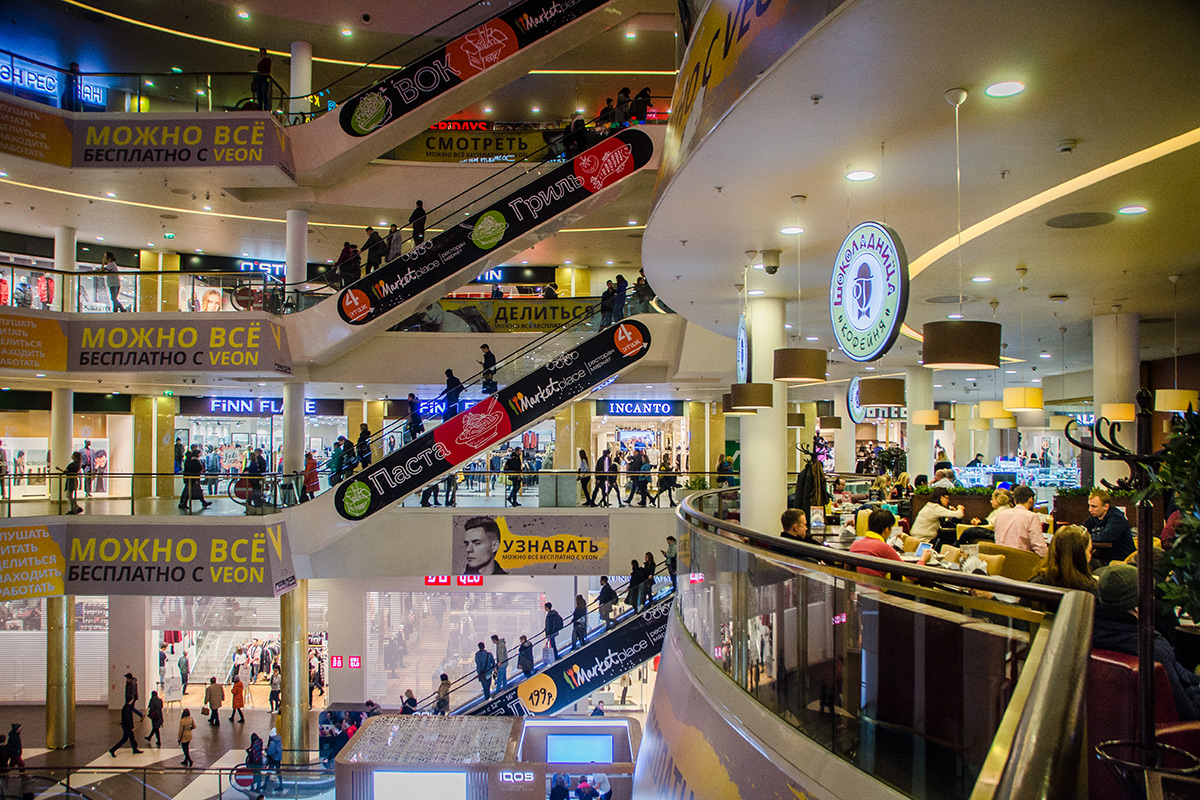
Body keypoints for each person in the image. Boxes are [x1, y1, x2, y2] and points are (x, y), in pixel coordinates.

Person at [1092, 563, 1200, 720]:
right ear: (1138, 606)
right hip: (1174, 728)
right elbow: (1188, 713)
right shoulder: (1150, 648)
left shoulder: (1086, 634)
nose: (1153, 599)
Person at [1029, 524, 1097, 593]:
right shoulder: (1088, 590)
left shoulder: (1036, 584)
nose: (1090, 556)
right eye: (1089, 551)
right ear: (1080, 555)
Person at [849, 509, 907, 578]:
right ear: (886, 530)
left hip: (856, 583)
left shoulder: (855, 544)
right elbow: (910, 573)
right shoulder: (883, 547)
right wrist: (919, 561)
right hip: (876, 584)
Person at [993, 485, 1048, 556]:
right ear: (1031, 499)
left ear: (1015, 501)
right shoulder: (1031, 517)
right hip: (1022, 559)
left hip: (1001, 558)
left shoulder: (1001, 515)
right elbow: (1040, 549)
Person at [1085, 489, 1135, 566]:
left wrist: (1086, 537)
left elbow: (1104, 538)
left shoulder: (1117, 518)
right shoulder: (1094, 517)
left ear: (1106, 506)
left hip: (1121, 561)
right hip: (1105, 559)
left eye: (1094, 506)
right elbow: (1082, 530)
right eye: (1089, 505)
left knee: (1087, 564)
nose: (1090, 509)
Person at [181, 445, 212, 510]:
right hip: (193, 479)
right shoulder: (194, 461)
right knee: (193, 491)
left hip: (190, 478)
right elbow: (198, 469)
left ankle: (184, 503)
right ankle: (203, 502)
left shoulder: (189, 459)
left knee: (188, 491)